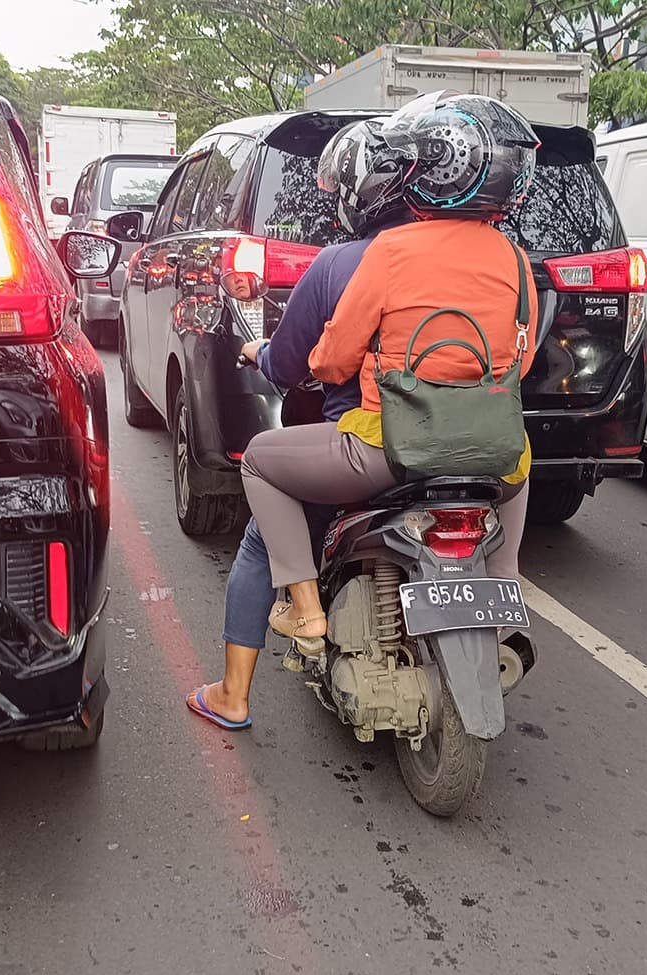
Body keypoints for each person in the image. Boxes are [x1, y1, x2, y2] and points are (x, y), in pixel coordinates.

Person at [239, 92, 541, 654]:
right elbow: (518, 364)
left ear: (418, 171)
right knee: (519, 464)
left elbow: (332, 361)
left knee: (258, 460)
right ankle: (504, 596)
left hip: (390, 450)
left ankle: (304, 608)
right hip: (496, 458)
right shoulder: (514, 259)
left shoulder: (391, 251)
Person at [185, 118, 415, 730]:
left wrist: (257, 353)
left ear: (353, 195)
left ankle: (237, 691)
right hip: (468, 445)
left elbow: (294, 364)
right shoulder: (464, 261)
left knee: (262, 535)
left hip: (364, 446)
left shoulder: (342, 263)